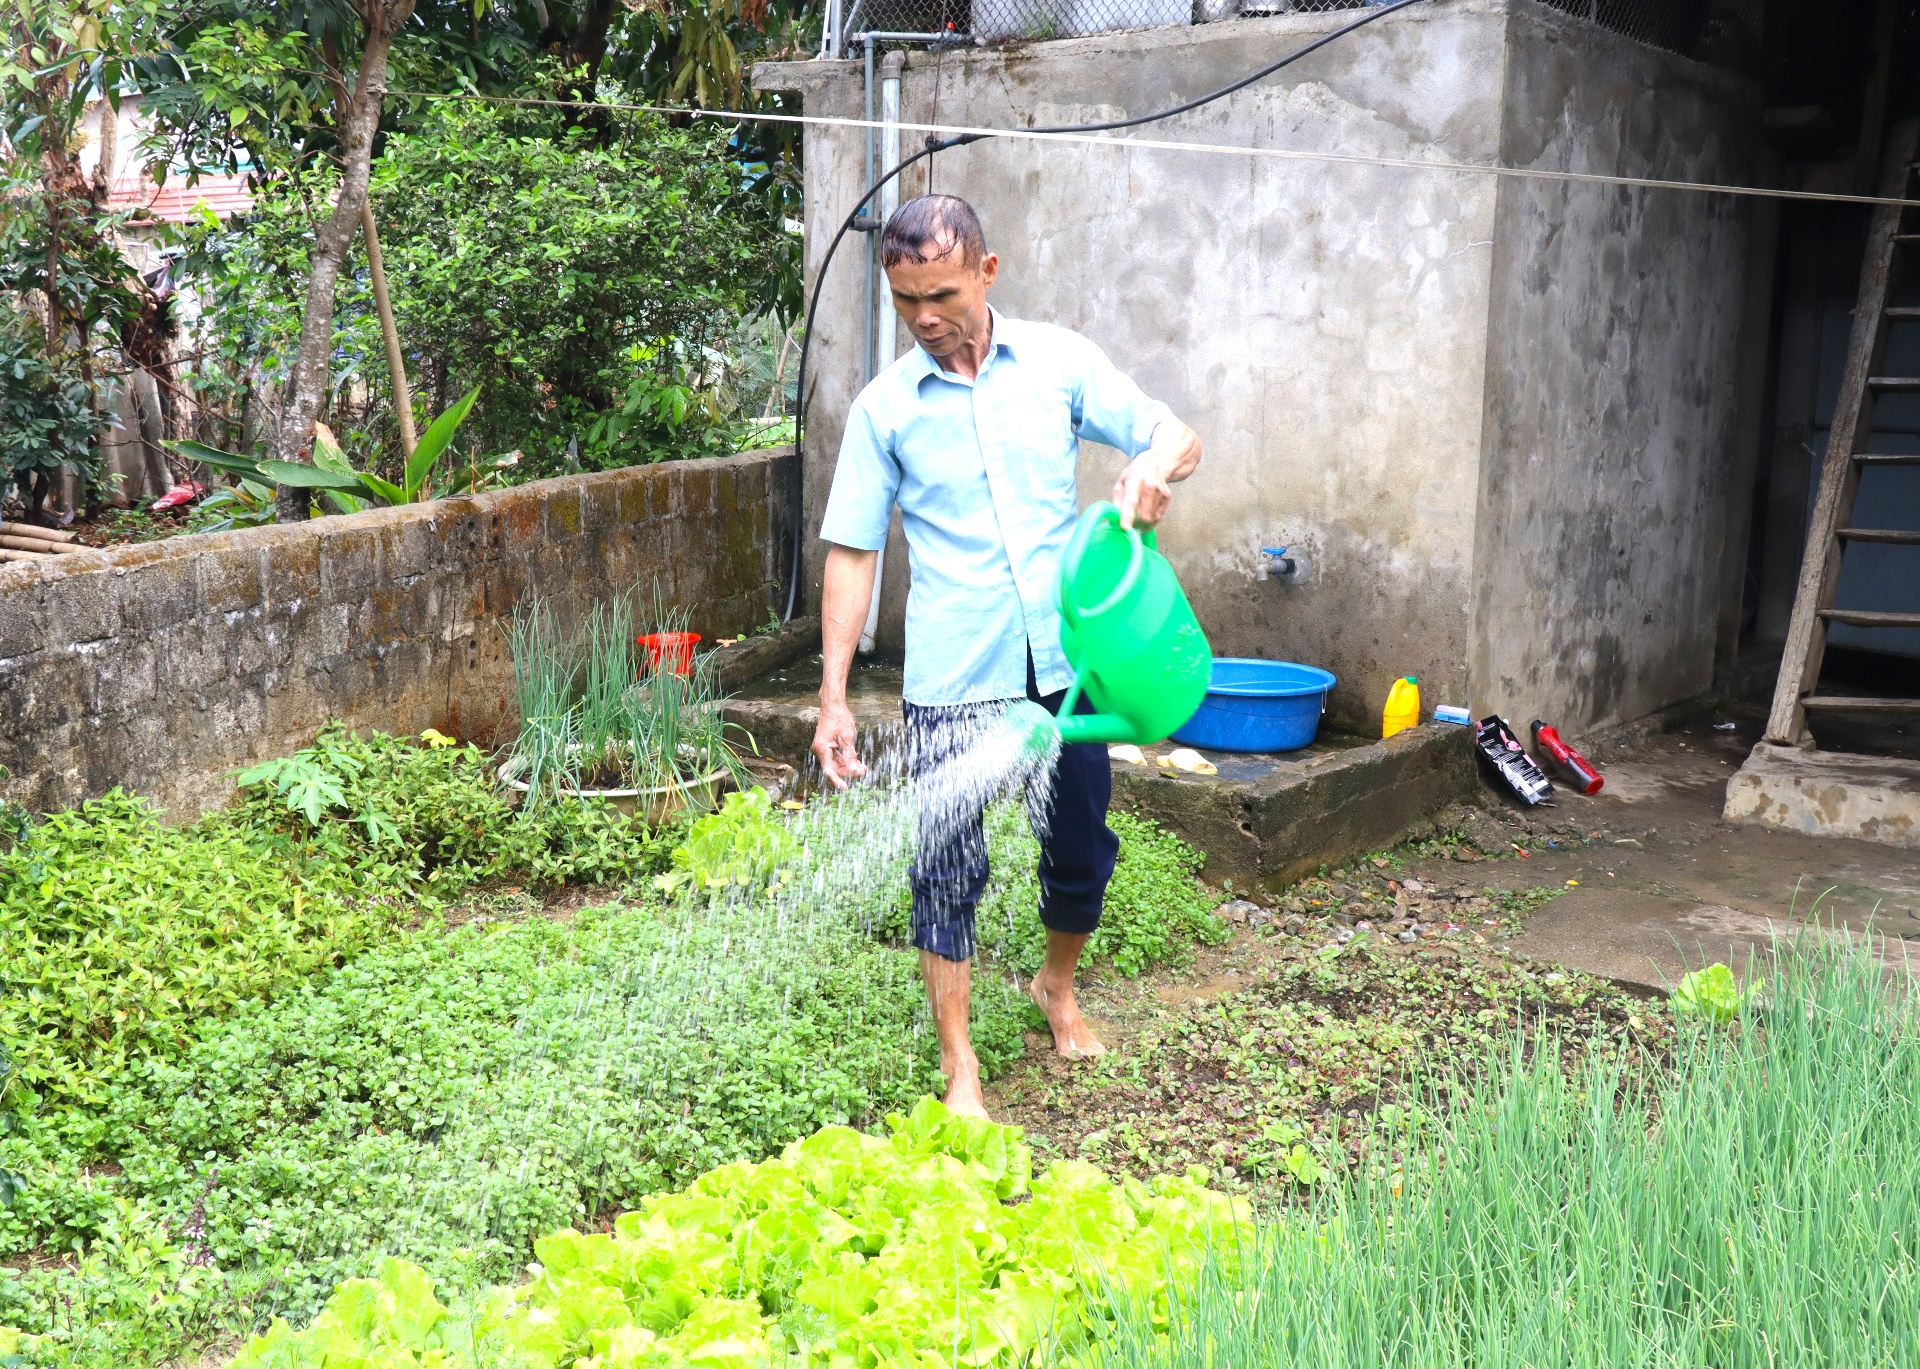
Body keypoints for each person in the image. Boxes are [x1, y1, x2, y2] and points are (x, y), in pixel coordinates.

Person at [810, 194, 1202, 1119]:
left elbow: (1173, 433)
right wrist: (833, 695)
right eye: (906, 302)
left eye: (940, 294)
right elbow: (854, 553)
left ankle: (1054, 986)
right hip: (955, 675)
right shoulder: (885, 410)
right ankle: (961, 1068)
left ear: (987, 274)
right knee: (946, 863)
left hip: (1065, 667)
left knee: (1080, 849)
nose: (924, 319)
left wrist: (1154, 466)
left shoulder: (1060, 363)